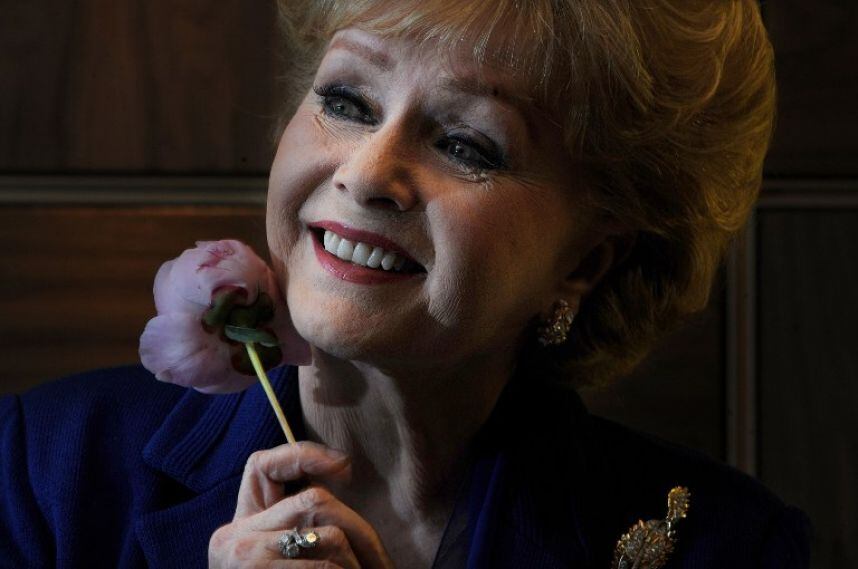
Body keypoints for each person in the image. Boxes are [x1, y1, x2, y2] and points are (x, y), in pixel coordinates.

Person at [0, 1, 811, 567]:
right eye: (348, 100)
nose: (366, 173)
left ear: (584, 264)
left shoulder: (724, 546)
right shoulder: (45, 470)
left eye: (466, 144)